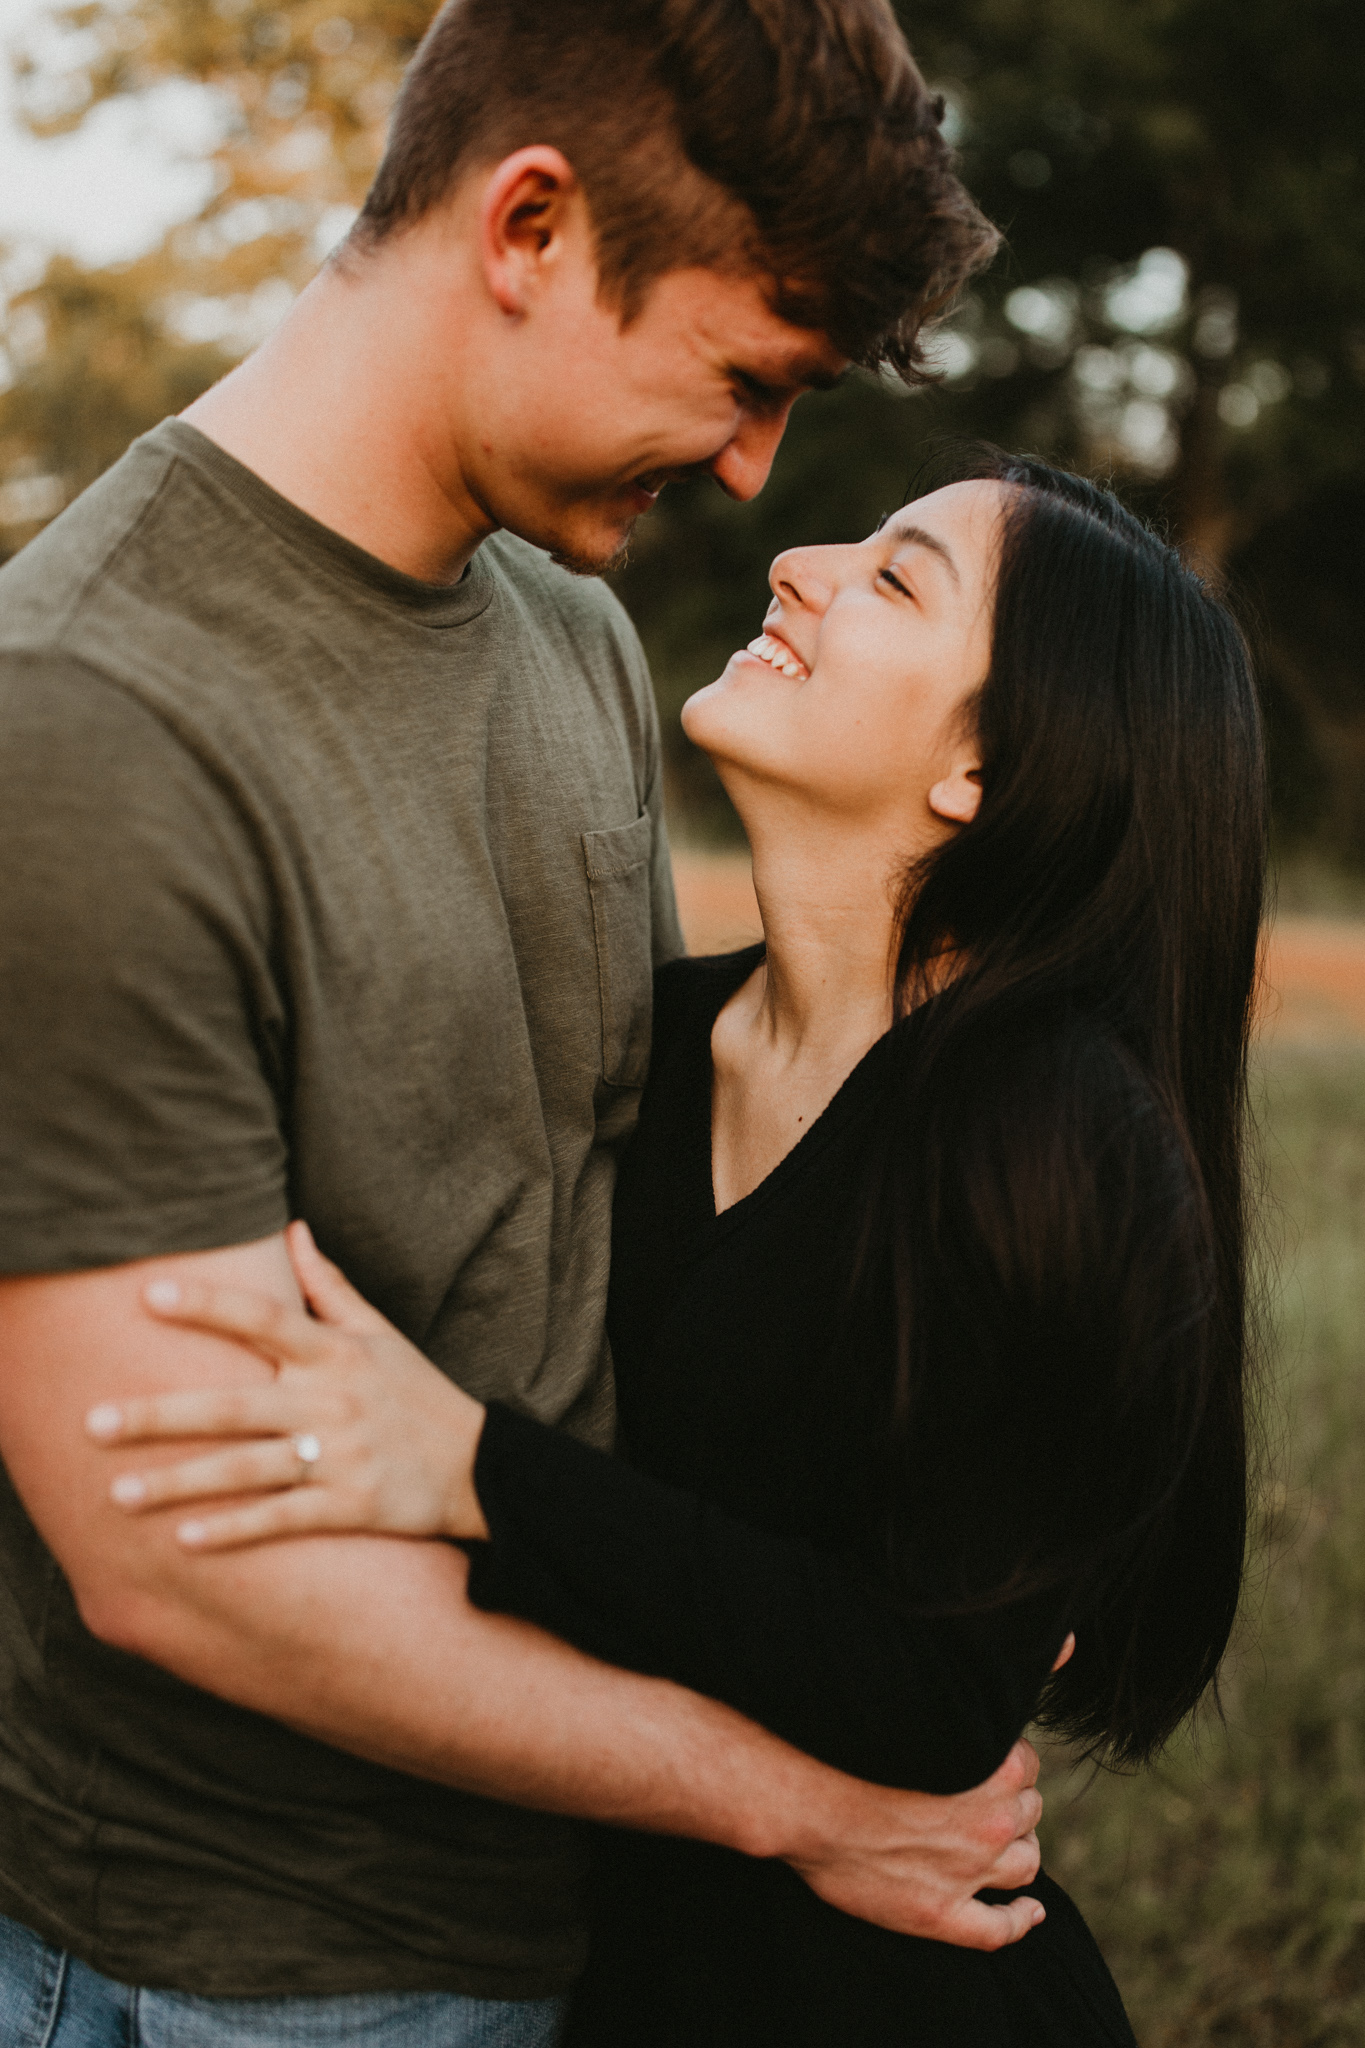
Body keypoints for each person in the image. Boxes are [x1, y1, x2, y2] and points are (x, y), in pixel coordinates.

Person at [0, 2, 1050, 2043]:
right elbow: (169, 1562)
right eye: (743, 382)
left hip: (586, 1900)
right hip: (259, 1964)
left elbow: (621, 1232)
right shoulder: (88, 730)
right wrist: (795, 1801)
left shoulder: (568, 634)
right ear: (532, 228)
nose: (755, 471)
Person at [95, 451, 1268, 2044]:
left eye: (894, 575)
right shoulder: (656, 1040)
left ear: (985, 769)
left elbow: (933, 1703)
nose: (798, 559)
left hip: (889, 1998)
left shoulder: (1054, 1144)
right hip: (619, 1962)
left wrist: (473, 1471)